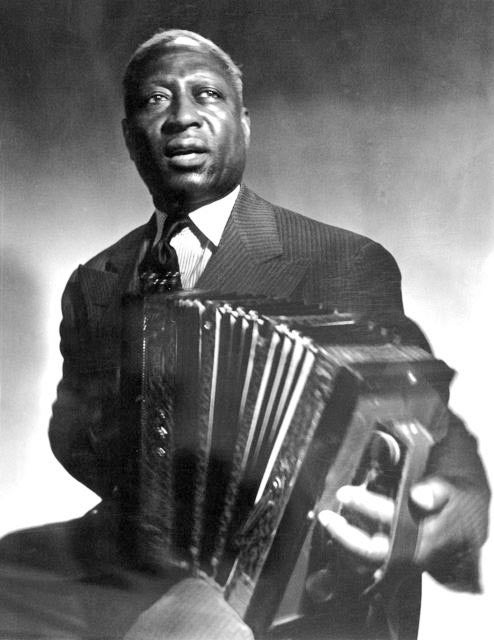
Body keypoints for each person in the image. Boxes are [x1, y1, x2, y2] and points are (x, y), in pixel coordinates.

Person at [0, 29, 489, 640]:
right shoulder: (95, 281)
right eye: (156, 100)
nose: (182, 117)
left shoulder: (339, 259)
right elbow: (72, 433)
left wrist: (461, 502)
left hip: (285, 568)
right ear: (130, 137)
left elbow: (425, 413)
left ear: (244, 124)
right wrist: (151, 482)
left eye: (207, 95)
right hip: (140, 551)